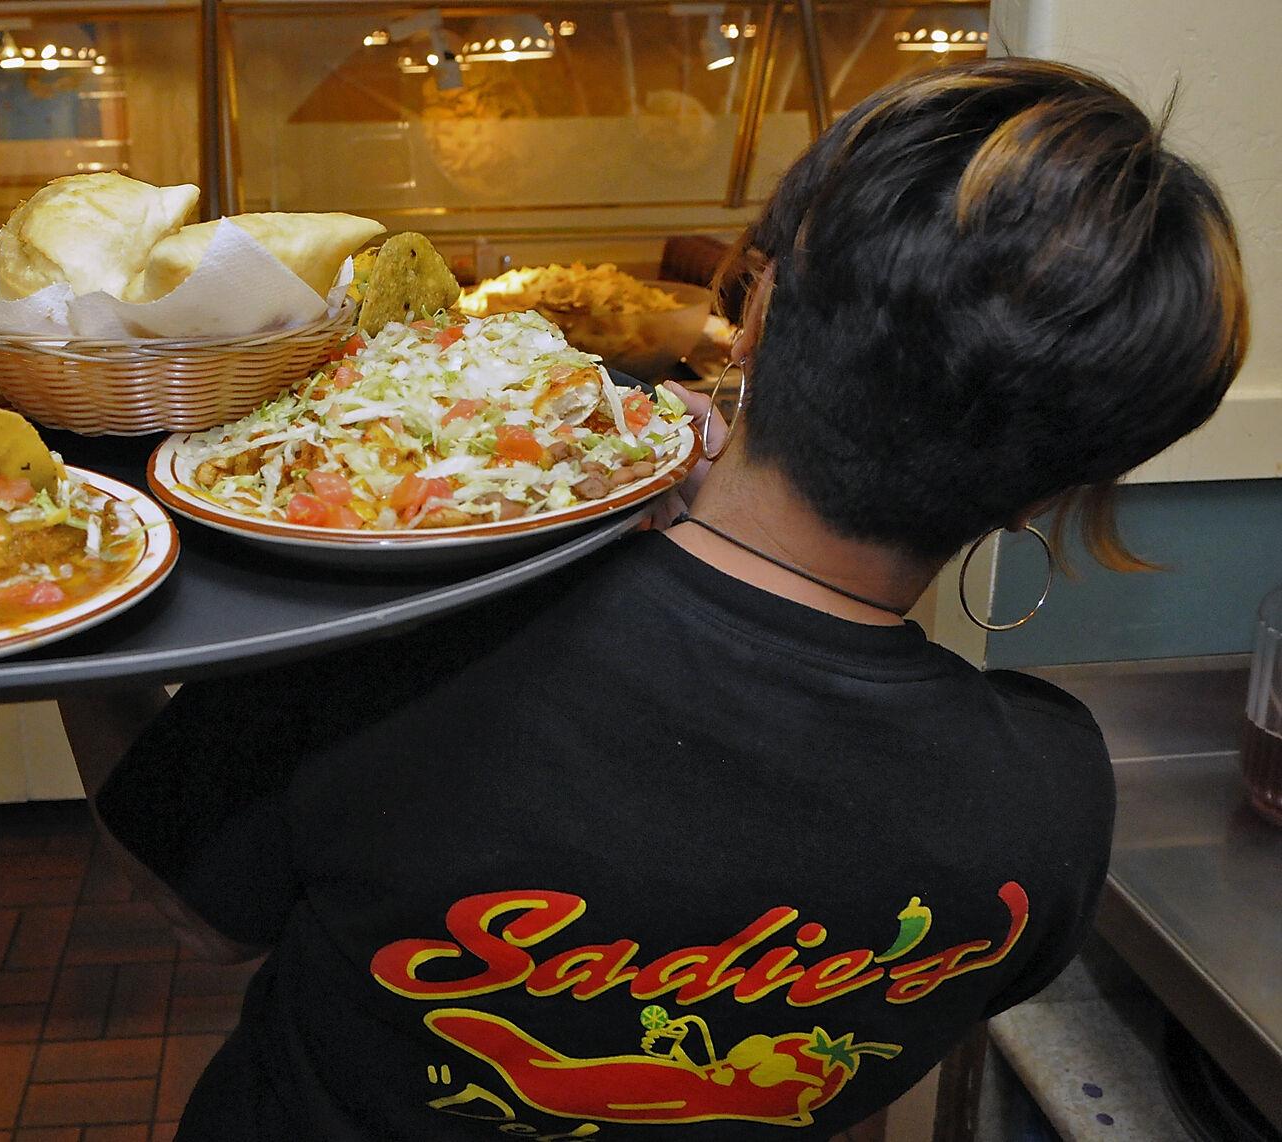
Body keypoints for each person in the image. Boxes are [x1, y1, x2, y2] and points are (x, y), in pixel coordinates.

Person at [60, 58, 1249, 1140]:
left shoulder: (406, 642)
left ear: (760, 305)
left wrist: (93, 621)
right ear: (1064, 488)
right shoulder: (1046, 804)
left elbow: (195, 913)